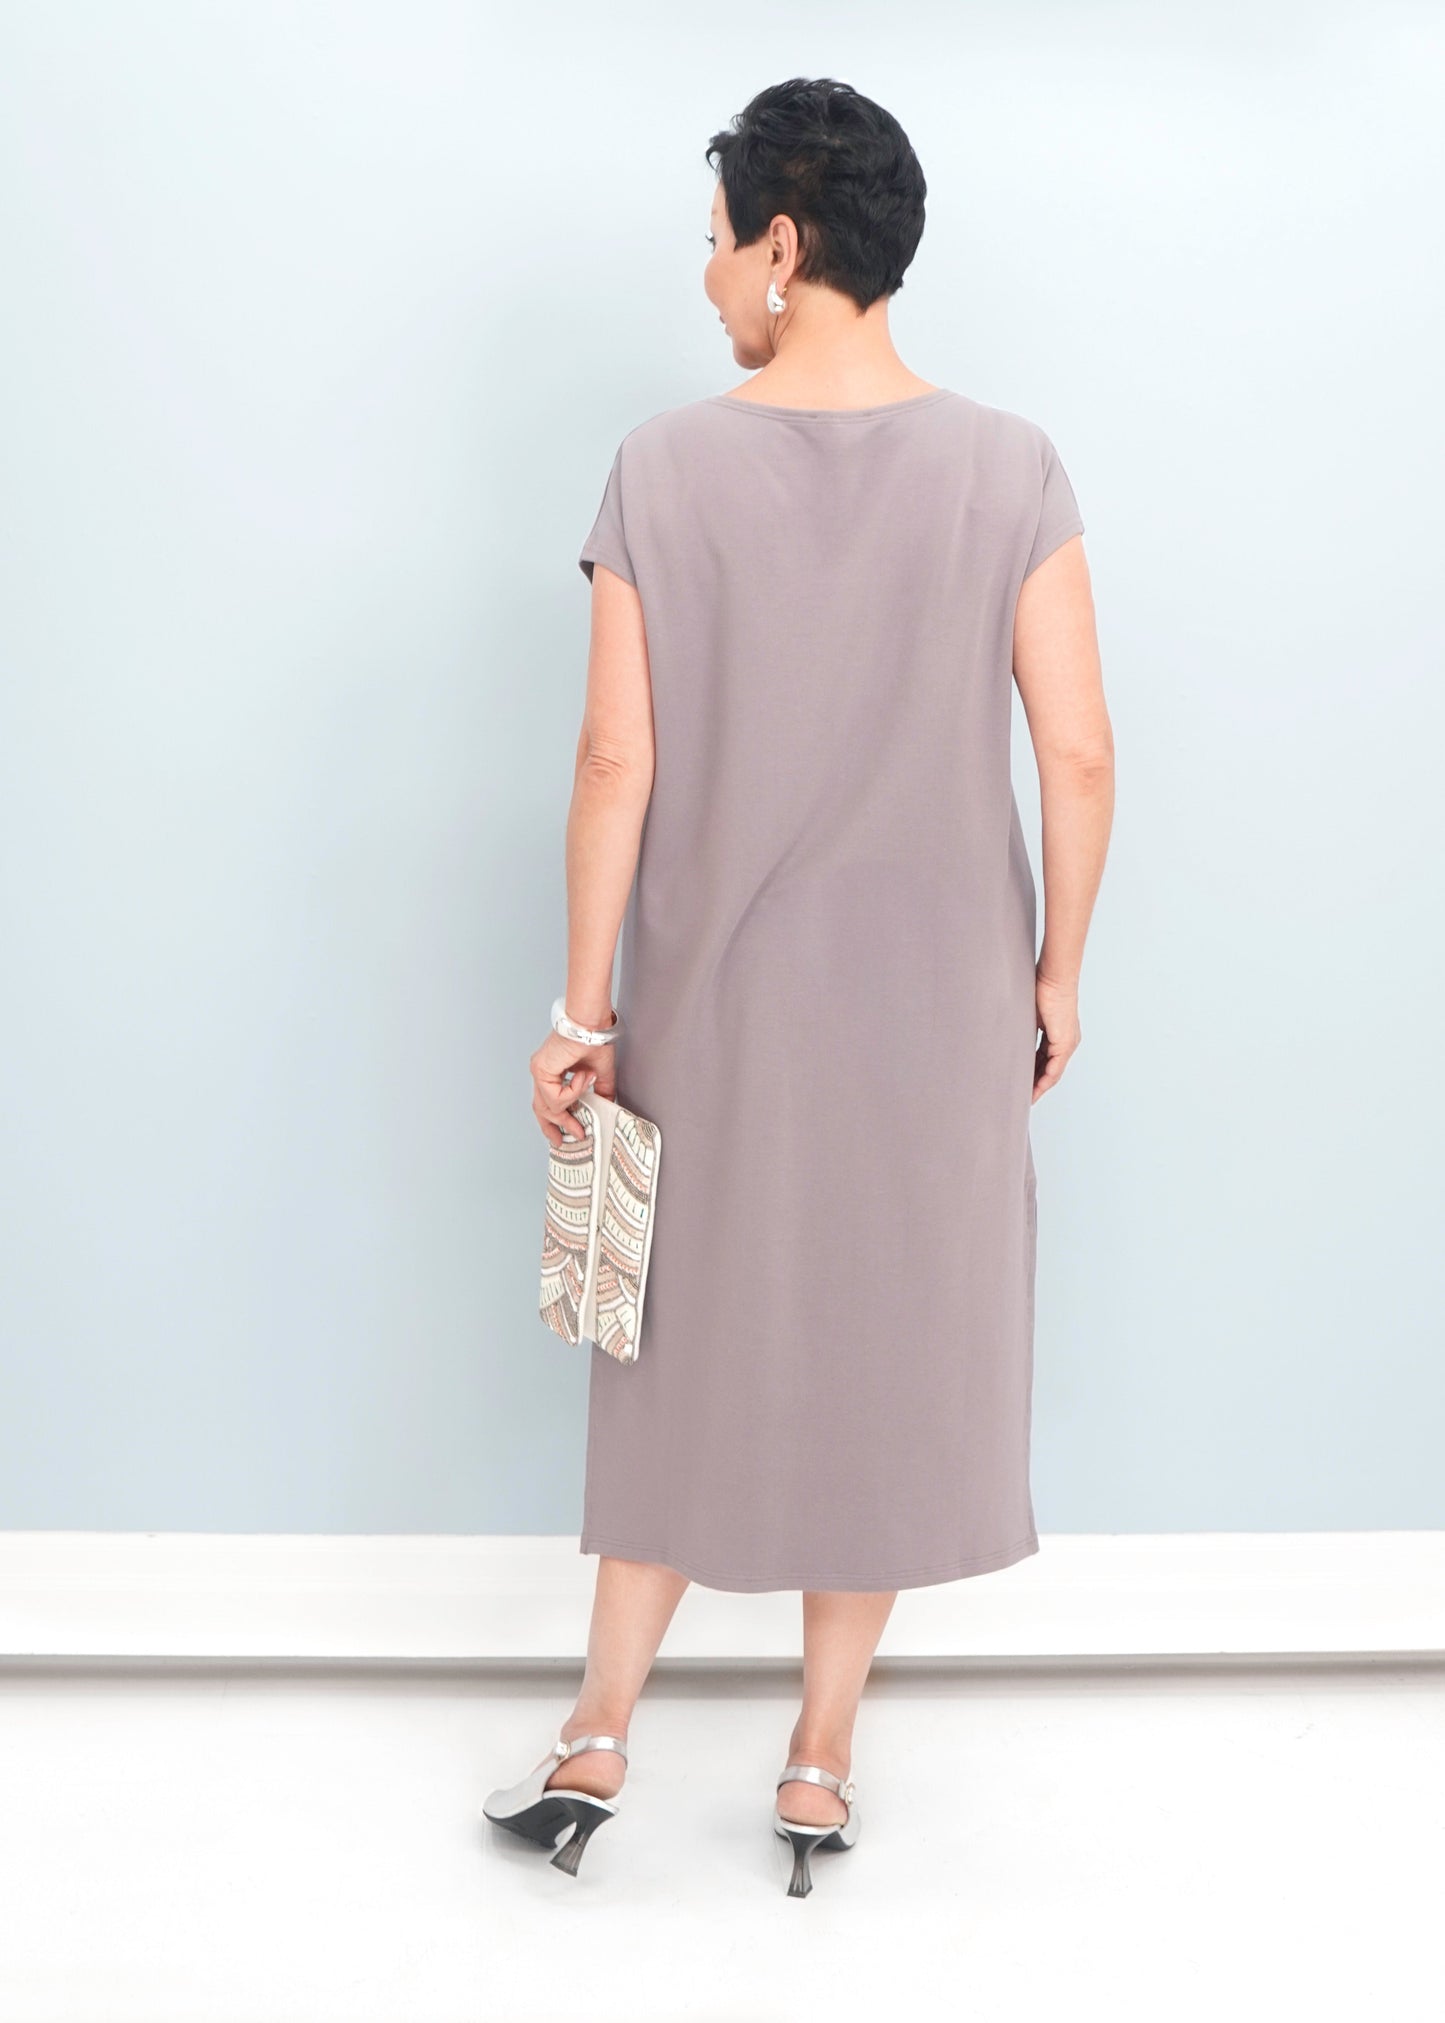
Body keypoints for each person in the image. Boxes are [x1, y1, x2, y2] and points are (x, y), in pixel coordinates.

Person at [485, 75, 1113, 1896]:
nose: (704, 280)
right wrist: (1058, 971)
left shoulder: (662, 467)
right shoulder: (1012, 466)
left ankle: (598, 1733)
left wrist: (581, 1012)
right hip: (936, 997)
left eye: (712, 243)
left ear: (781, 241)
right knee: (888, 1342)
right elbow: (1076, 752)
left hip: (719, 1001)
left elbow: (616, 761)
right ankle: (821, 1762)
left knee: (673, 1336)